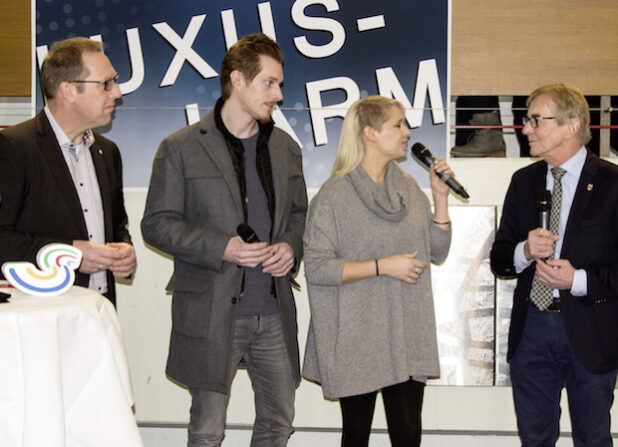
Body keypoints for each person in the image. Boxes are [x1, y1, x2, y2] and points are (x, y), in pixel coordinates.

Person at [141, 33, 307, 447]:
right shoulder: (179, 148)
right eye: (269, 83)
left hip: (273, 311)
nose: (279, 95)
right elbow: (157, 224)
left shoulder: (286, 148)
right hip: (212, 311)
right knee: (207, 430)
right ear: (237, 80)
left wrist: (290, 246)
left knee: (278, 424)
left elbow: (301, 217)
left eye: (280, 84)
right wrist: (222, 247)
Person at [302, 95, 452, 447]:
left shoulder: (409, 189)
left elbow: (439, 251)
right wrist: (384, 267)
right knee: (356, 436)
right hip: (357, 336)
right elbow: (318, 268)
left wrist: (441, 198)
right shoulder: (334, 196)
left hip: (405, 331)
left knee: (408, 436)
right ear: (369, 133)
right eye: (397, 124)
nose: (407, 132)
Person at [490, 84, 618, 447]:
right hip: (532, 332)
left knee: (592, 439)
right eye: (525, 119)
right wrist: (524, 252)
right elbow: (500, 259)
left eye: (534, 120)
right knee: (534, 439)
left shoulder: (612, 184)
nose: (525, 128)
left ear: (571, 126)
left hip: (591, 333)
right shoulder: (523, 182)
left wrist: (577, 279)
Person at [0, 37, 135, 304]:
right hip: (40, 313)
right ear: (68, 91)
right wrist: (68, 253)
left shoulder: (107, 152)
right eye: (106, 84)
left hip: (97, 309)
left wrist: (124, 249)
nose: (117, 92)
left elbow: (117, 225)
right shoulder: (15, 147)